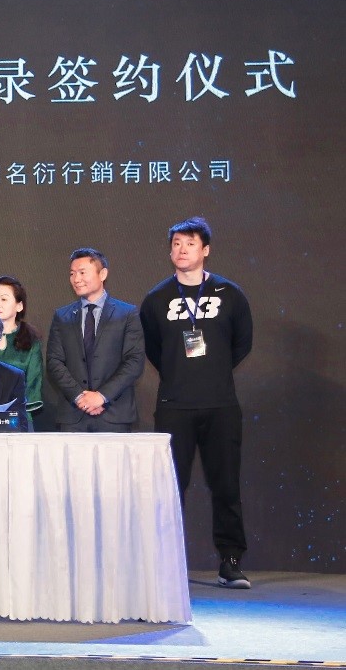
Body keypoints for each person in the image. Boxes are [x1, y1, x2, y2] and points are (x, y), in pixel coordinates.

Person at [140, 217, 253, 589]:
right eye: (176, 243)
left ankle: (230, 562)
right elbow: (154, 348)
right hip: (175, 405)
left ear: (205, 250)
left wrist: (211, 371)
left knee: (226, 486)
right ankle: (167, 565)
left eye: (189, 243)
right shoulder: (156, 299)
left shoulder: (230, 294)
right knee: (171, 488)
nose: (181, 249)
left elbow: (242, 343)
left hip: (220, 405)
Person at [46, 248, 145, 433]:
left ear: (103, 274)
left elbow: (134, 361)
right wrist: (79, 397)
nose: (76, 279)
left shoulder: (127, 313)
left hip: (115, 414)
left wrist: (102, 396)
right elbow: (54, 362)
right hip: (73, 416)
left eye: (82, 272)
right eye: (72, 274)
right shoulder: (62, 316)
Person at [0, 275, 47, 429]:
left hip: (18, 418)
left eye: (4, 299)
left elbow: (33, 384)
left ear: (19, 306)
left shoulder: (31, 340)